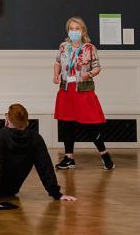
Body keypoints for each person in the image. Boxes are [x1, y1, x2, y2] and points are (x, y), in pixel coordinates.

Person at [0, 104, 76, 204]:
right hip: (10, 189)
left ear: (7, 119)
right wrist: (57, 194)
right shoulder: (35, 138)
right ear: (27, 122)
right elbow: (45, 167)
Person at [54, 16, 114, 170]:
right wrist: (56, 74)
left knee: (91, 126)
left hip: (83, 91)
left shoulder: (89, 48)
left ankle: (104, 154)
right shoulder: (63, 46)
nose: (74, 31)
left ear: (83, 30)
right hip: (66, 90)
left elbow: (97, 67)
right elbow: (57, 62)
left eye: (77, 28)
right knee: (66, 125)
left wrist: (90, 74)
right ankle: (69, 158)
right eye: (71, 29)